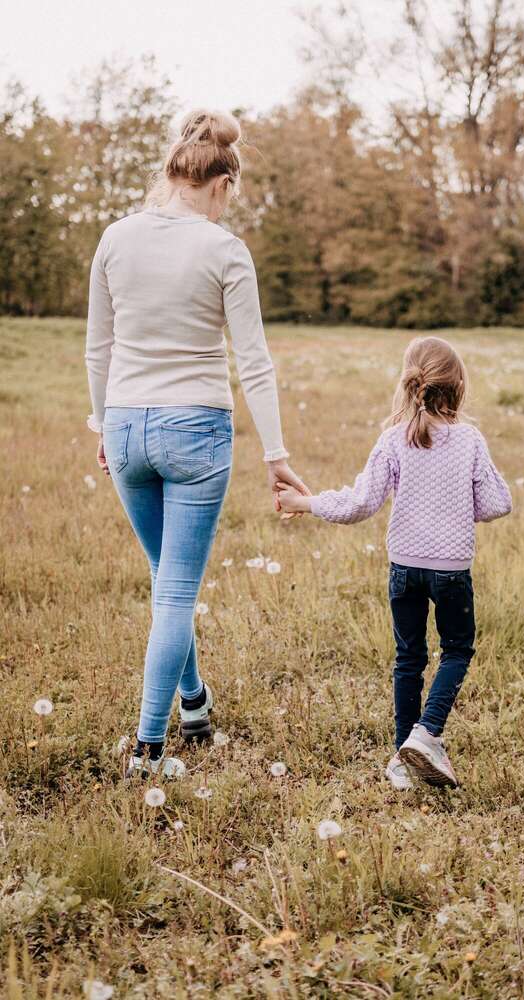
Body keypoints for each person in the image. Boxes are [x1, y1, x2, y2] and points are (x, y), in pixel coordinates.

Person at [85, 108, 308, 778]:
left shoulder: (115, 238)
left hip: (126, 424)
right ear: (222, 183)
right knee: (176, 590)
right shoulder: (223, 248)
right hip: (194, 431)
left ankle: (194, 703)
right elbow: (254, 360)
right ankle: (150, 753)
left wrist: (102, 424)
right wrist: (275, 455)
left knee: (164, 580)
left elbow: (99, 347)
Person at [277, 336, 512, 790]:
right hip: (451, 571)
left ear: (409, 384)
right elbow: (498, 501)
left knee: (409, 658)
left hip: (404, 569)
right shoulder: (469, 440)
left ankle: (402, 761)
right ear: (458, 386)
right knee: (457, 649)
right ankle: (426, 735)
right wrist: (460, 506)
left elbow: (360, 504)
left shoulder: (393, 441)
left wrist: (304, 502)